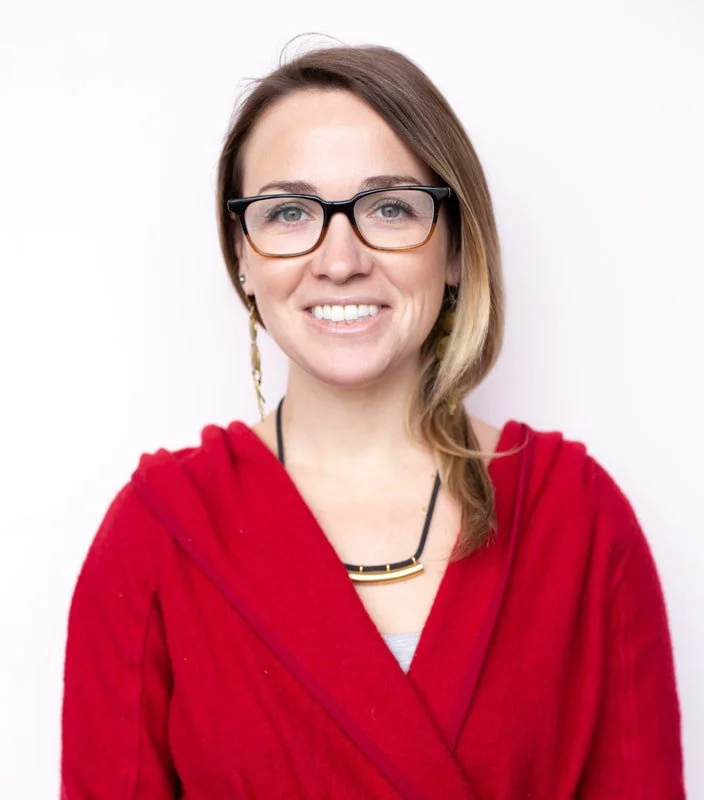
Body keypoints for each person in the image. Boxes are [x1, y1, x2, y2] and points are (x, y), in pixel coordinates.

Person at [60, 44, 684, 799]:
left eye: (390, 207)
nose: (341, 257)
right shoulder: (156, 540)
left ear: (454, 245)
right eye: (288, 212)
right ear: (244, 259)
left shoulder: (579, 522)